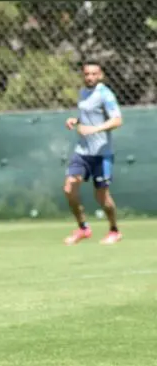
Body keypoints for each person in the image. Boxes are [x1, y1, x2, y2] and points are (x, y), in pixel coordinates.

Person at [63, 61, 123, 245]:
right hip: (82, 151)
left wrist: (94, 129)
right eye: (87, 74)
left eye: (94, 74)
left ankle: (114, 230)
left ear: (101, 75)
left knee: (101, 196)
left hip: (101, 153)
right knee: (69, 187)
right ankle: (83, 228)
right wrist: (76, 120)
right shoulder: (83, 92)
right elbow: (89, 115)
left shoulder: (105, 94)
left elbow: (117, 120)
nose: (90, 77)